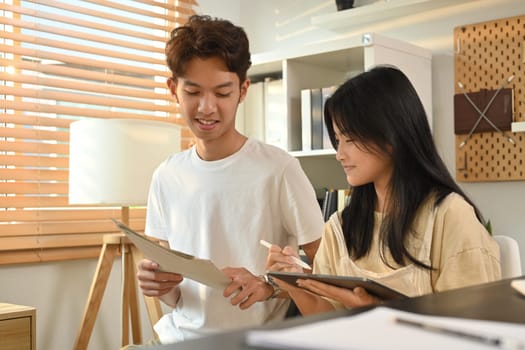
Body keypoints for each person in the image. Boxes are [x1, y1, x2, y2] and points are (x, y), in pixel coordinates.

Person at [135, 15, 323, 344]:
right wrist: (160, 288)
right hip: (179, 339)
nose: (207, 108)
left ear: (243, 90)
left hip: (254, 341)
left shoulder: (279, 169)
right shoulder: (166, 175)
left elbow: (327, 277)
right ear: (173, 90)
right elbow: (176, 296)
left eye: (222, 93)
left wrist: (269, 287)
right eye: (193, 91)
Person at [266, 66, 501, 315]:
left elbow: (473, 328)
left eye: (350, 139)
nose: (339, 154)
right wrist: (292, 283)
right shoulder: (340, 226)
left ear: (391, 135)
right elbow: (327, 317)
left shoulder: (450, 216)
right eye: (338, 139)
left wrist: (377, 312)